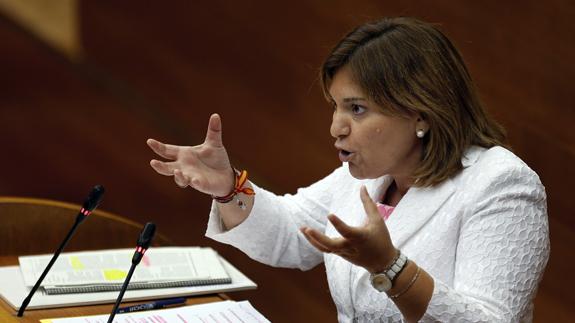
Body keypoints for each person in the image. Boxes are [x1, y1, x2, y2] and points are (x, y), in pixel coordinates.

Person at [146, 17, 549, 322]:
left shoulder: (501, 185)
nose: (336, 128)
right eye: (336, 107)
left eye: (357, 109)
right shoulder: (373, 172)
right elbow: (292, 233)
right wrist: (228, 188)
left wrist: (390, 267)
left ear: (420, 112)